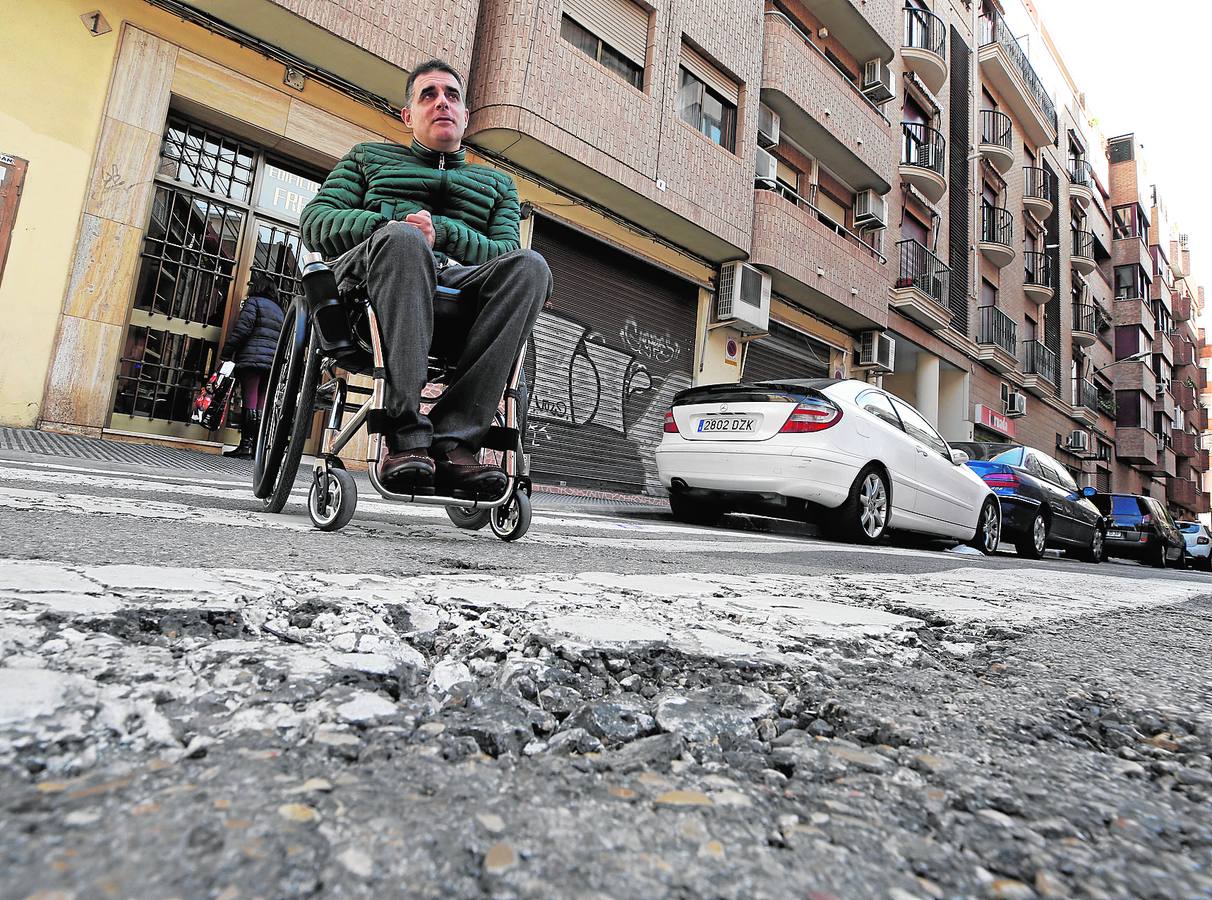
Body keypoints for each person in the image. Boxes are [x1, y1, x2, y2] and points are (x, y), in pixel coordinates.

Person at [300, 59, 551, 499]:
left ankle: (454, 442)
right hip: (372, 289)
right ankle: (405, 434)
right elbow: (317, 222)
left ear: (466, 116)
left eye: (452, 95)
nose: (442, 103)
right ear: (407, 114)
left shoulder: (498, 185)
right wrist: (396, 223)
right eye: (428, 95)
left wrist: (444, 232)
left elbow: (505, 251)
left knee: (531, 266)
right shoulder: (366, 157)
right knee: (402, 241)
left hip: (460, 297)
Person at [220, 273, 285, 458]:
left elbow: (243, 330)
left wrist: (227, 352)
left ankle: (246, 446)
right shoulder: (279, 310)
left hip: (253, 358)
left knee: (250, 398)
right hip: (272, 363)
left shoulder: (254, 302)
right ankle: (258, 448)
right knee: (262, 402)